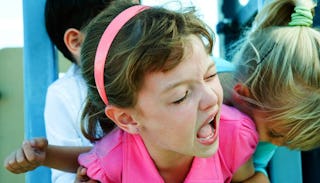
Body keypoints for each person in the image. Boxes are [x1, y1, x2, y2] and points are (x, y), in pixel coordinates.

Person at [220, 0, 320, 179]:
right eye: (274, 133)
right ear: (242, 95)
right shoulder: (198, 84)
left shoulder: (267, 131)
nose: (275, 143)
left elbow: (253, 173)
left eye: (285, 140)